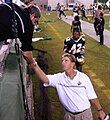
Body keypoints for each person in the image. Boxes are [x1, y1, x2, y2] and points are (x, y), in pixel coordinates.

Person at [23, 52, 106, 120]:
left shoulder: (83, 78)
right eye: (62, 60)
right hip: (68, 115)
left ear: (72, 64)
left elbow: (92, 97)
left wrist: (100, 110)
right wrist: (35, 65)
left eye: (66, 60)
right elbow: (45, 79)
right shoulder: (59, 78)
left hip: (84, 115)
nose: (63, 62)